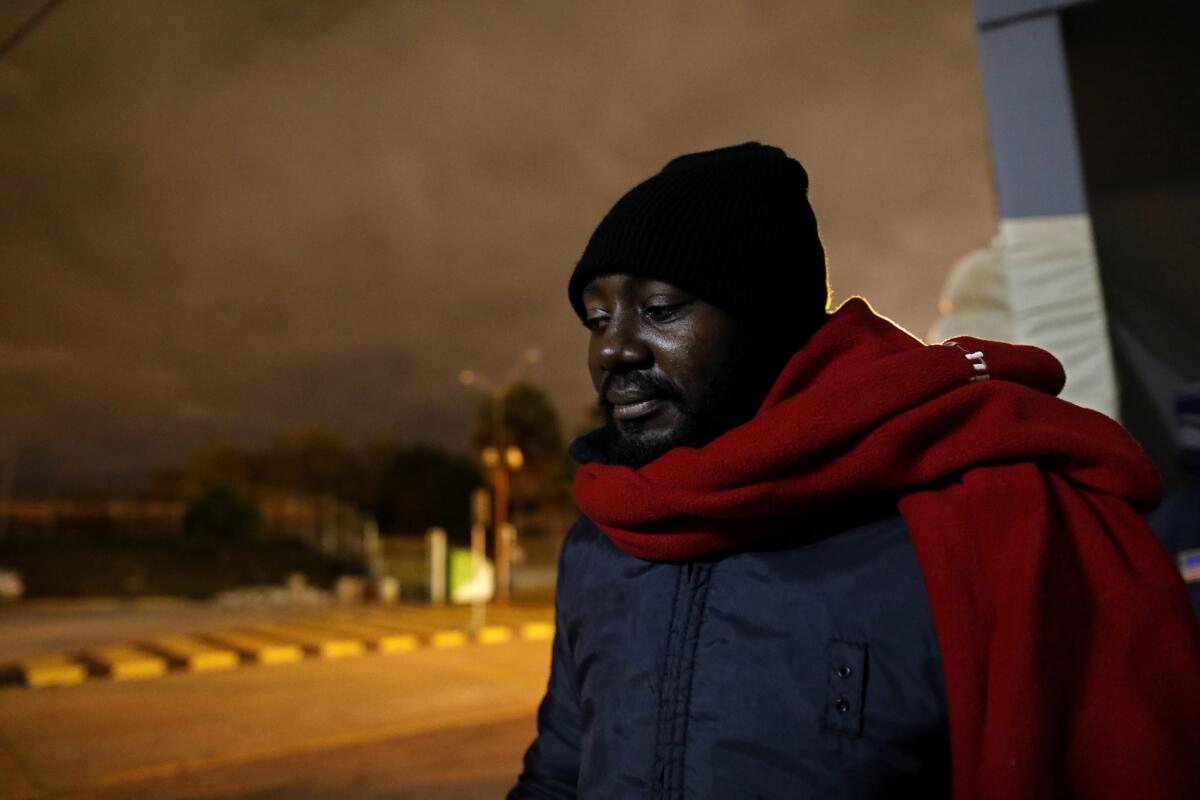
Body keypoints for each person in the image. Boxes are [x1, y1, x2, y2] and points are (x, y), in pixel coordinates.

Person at [508, 143, 1200, 799]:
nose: (613, 350)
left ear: (771, 321)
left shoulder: (963, 524)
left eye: (659, 309)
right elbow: (561, 771)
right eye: (597, 318)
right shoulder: (604, 538)